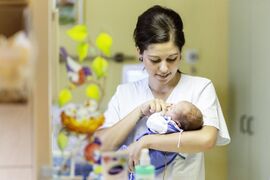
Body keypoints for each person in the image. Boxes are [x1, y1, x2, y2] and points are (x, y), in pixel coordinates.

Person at [96, 5, 230, 180]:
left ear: (181, 53)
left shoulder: (200, 87)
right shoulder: (125, 93)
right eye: (155, 60)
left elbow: (207, 139)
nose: (164, 68)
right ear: (140, 53)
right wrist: (139, 112)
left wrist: (146, 142)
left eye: (172, 58)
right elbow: (100, 146)